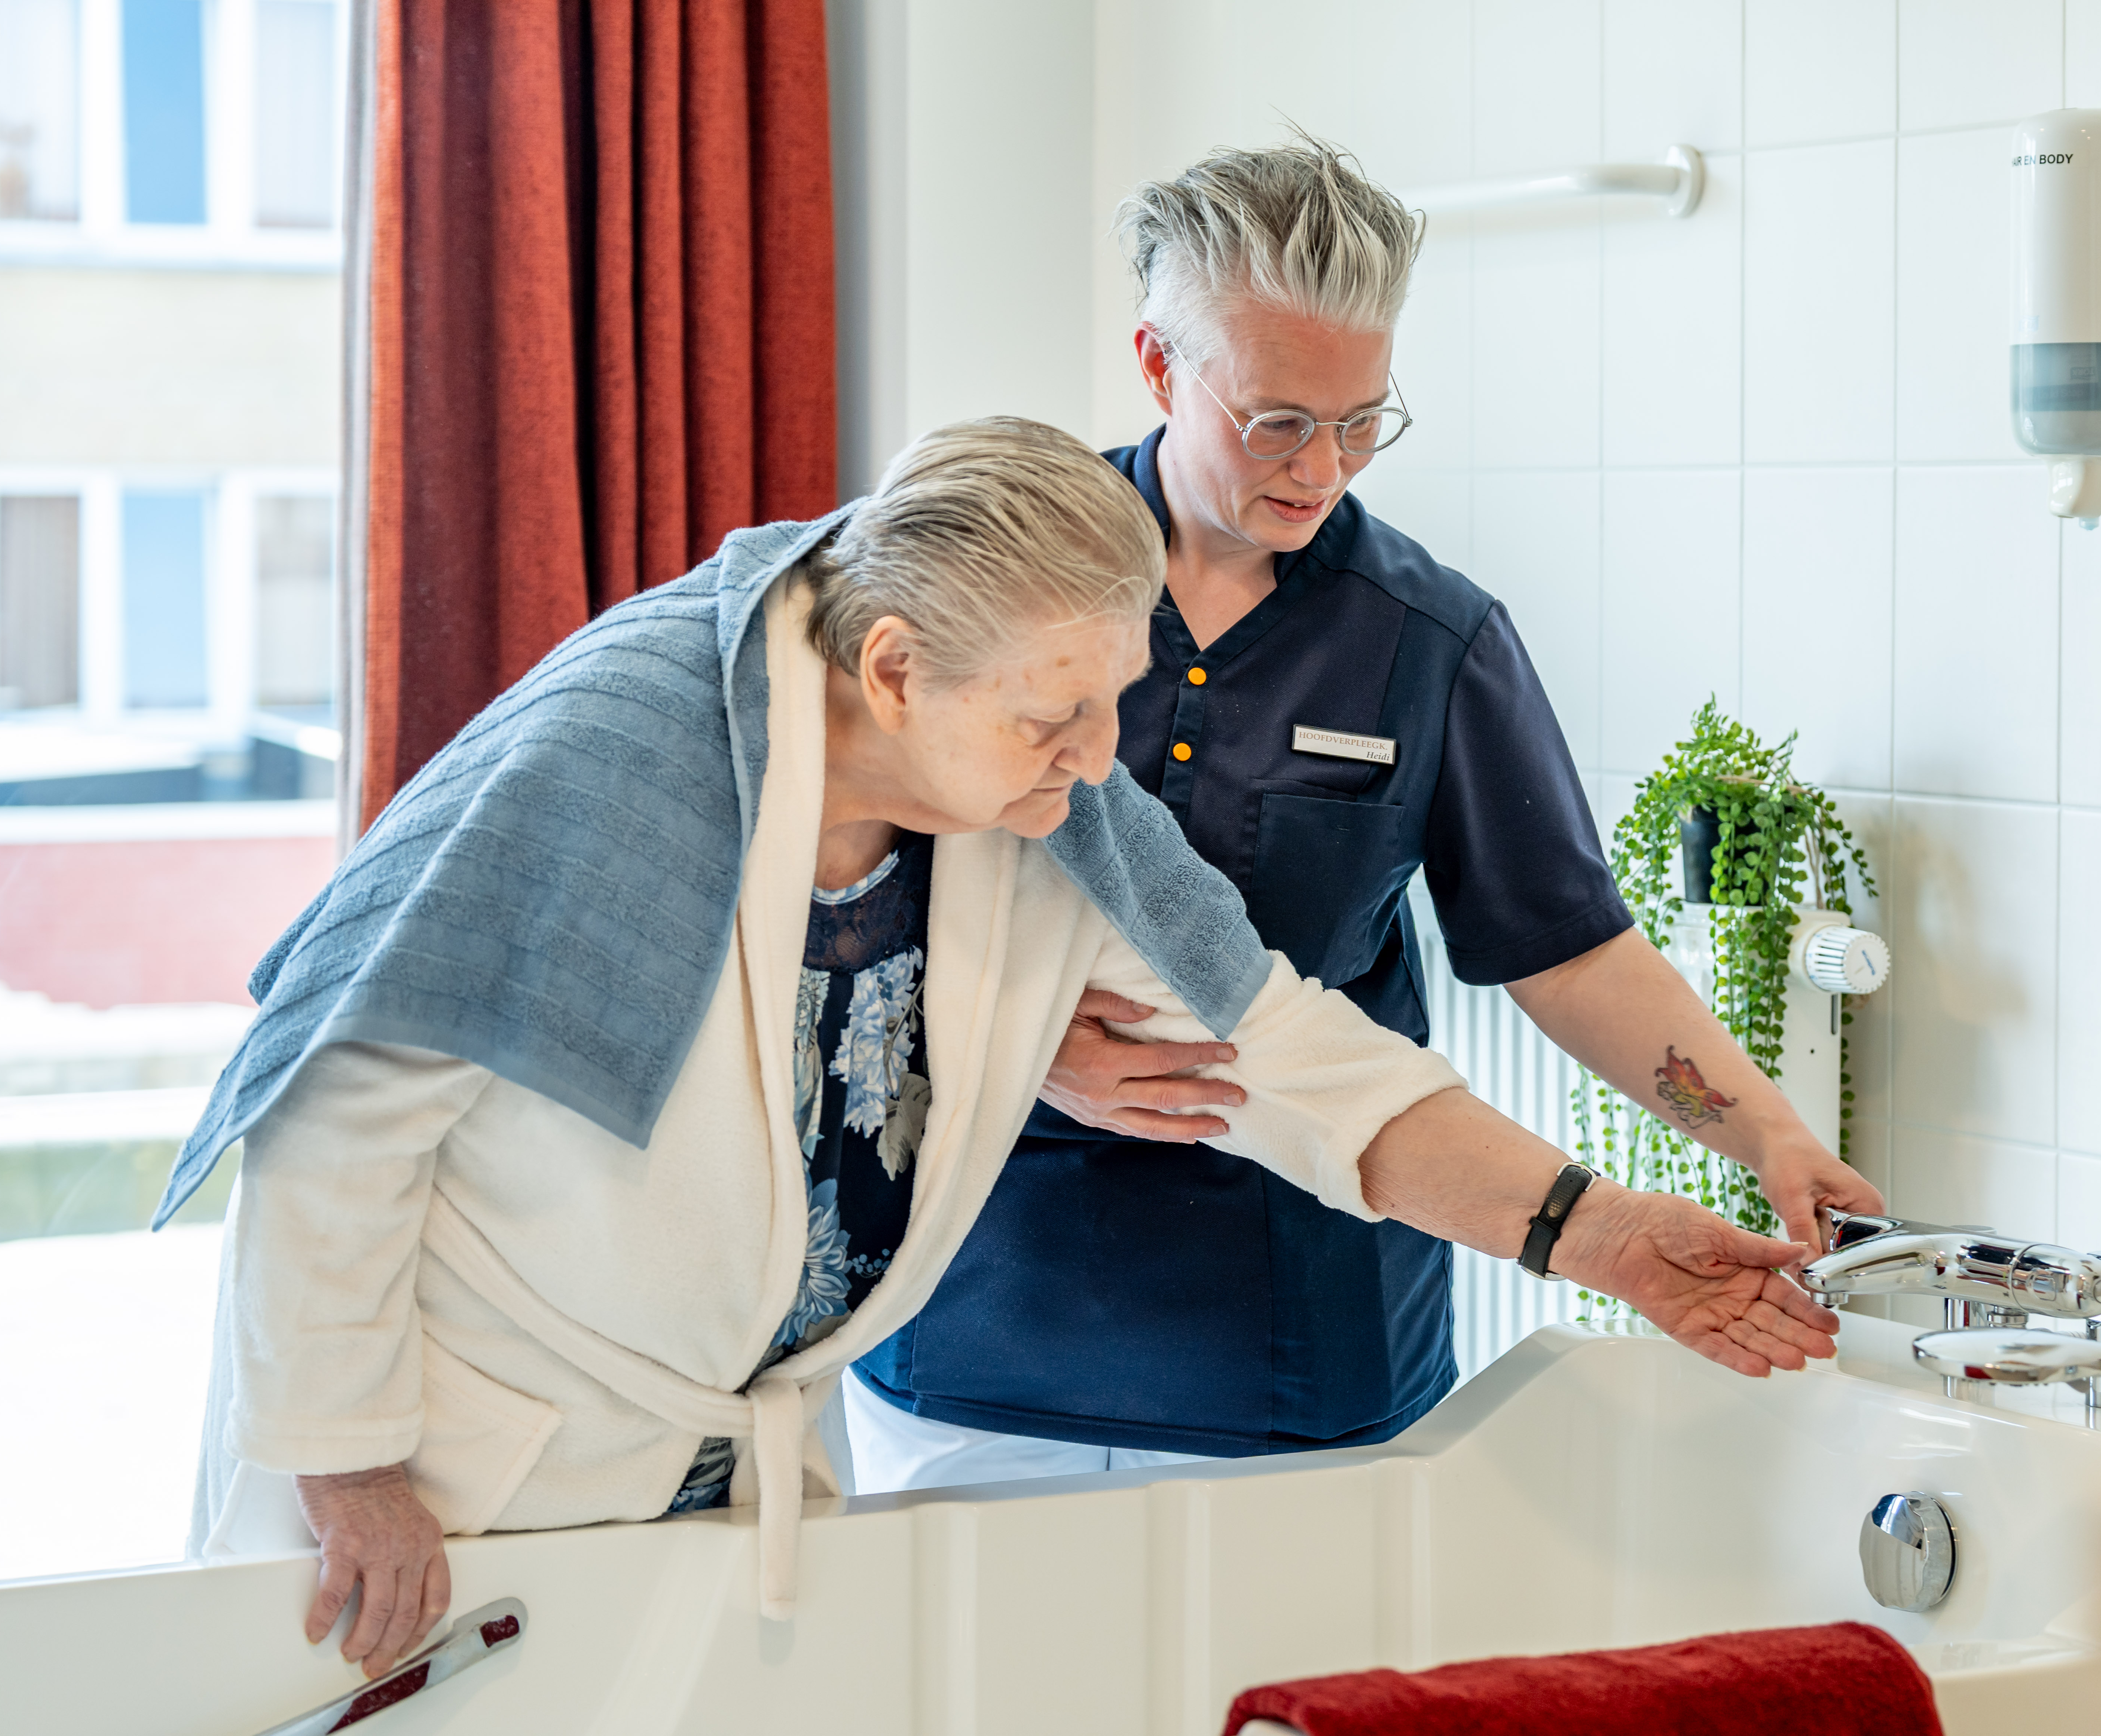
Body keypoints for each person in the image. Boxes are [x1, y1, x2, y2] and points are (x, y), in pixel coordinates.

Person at [166, 417, 1841, 1679]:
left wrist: (1604, 1238)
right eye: (1057, 716)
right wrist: (350, 1463)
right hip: (452, 1480)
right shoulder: (619, 753)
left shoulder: (1049, 810)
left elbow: (1293, 1061)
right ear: (895, 670)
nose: (1100, 758)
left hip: (720, 1472)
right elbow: (340, 1104)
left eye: (1114, 699)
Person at [845, 142, 1885, 1491]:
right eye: (1278, 420)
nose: (1322, 468)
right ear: (1159, 367)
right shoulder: (989, 575)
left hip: (1298, 1329)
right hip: (976, 1316)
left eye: (1362, 421)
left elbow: (1569, 952)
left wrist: (1768, 1133)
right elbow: (846, 889)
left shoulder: (1430, 638)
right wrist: (1026, 1047)